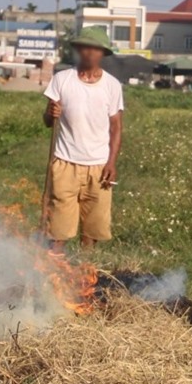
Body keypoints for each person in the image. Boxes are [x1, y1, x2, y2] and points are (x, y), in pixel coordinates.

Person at [41, 27, 124, 248]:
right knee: (58, 228)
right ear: (78, 49)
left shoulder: (112, 85)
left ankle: (86, 274)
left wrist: (112, 163)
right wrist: (51, 113)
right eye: (85, 47)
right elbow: (48, 121)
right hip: (64, 162)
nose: (90, 53)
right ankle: (54, 271)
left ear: (103, 54)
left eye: (95, 49)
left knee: (93, 228)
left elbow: (116, 127)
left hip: (98, 166)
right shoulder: (62, 80)